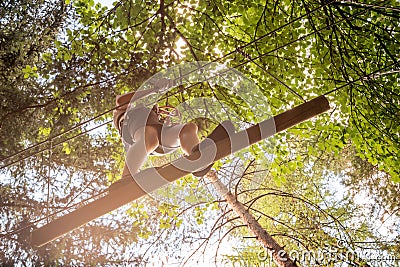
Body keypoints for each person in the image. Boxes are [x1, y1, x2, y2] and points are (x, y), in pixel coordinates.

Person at [113, 88, 201, 179]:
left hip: (156, 140)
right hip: (135, 128)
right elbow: (120, 101)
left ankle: (196, 156)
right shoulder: (128, 111)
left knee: (189, 128)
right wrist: (155, 89)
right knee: (150, 137)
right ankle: (127, 176)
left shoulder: (154, 117)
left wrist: (166, 121)